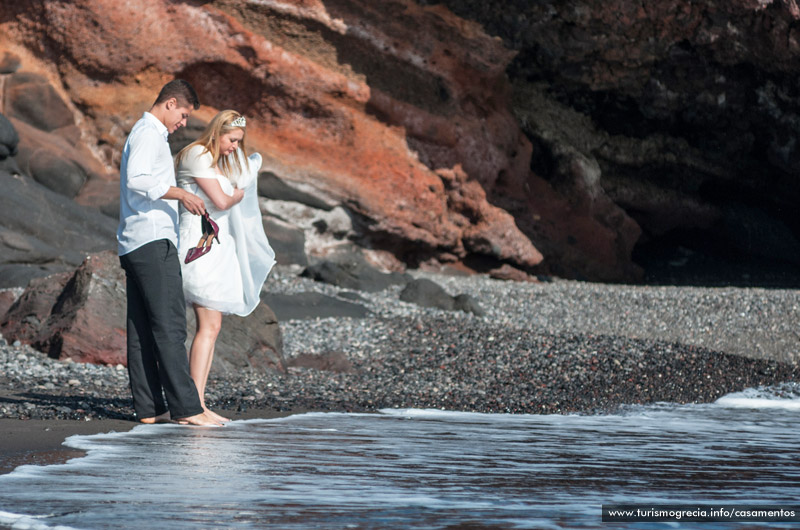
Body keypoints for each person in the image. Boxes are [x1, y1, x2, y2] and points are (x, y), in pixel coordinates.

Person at [117, 80, 220, 426]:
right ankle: (188, 410)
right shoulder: (148, 132)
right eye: (184, 114)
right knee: (170, 326)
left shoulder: (148, 133)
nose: (184, 122)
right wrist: (181, 194)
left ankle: (150, 409)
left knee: (142, 330)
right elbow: (137, 179)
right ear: (171, 103)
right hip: (151, 241)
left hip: (135, 242)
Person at [175, 110, 275, 423]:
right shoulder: (196, 155)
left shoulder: (213, 161)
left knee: (212, 327)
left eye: (238, 142)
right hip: (197, 250)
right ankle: (191, 407)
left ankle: (199, 404)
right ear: (218, 132)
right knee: (208, 327)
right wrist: (239, 194)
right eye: (232, 140)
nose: (234, 146)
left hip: (213, 250)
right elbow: (220, 200)